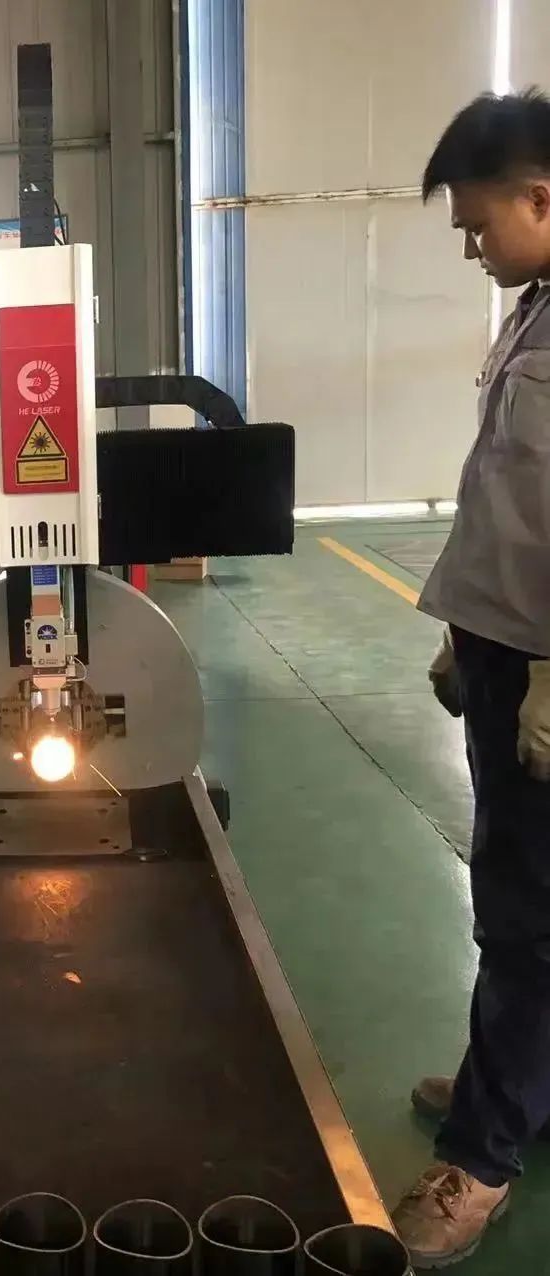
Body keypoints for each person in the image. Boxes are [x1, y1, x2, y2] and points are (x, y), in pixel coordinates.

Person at [393, 88, 550, 1269]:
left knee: (526, 913)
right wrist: (468, 626)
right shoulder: (535, 307)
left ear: (540, 197)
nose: (470, 246)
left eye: (478, 223)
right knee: (518, 888)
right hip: (505, 648)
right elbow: (509, 487)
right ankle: (517, 1081)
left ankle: (482, 1155)